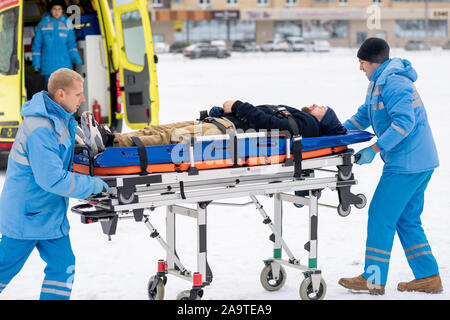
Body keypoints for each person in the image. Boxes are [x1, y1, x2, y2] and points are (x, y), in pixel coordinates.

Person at [338, 38, 442, 295]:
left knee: (380, 215)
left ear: (374, 62)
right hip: (418, 161)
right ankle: (429, 277)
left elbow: (404, 123)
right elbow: (364, 115)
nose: (360, 68)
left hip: (407, 162)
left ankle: (372, 278)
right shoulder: (378, 82)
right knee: (407, 219)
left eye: (362, 62)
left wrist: (374, 150)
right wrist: (336, 133)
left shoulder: (394, 82)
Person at [0, 68, 109, 300]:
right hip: (27, 215)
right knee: (4, 269)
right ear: (61, 94)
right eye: (78, 94)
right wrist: (91, 185)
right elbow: (52, 179)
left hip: (47, 214)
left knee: (63, 265)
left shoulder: (60, 119)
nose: (82, 99)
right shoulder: (41, 128)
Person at [78, 101, 346, 154]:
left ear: (323, 120)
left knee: (169, 137)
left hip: (225, 133)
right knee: (158, 129)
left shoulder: (307, 125)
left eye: (323, 108)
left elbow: (269, 124)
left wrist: (238, 105)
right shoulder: (300, 114)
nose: (316, 104)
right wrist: (224, 109)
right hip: (220, 123)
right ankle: (109, 136)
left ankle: (111, 143)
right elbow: (263, 114)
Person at [32, 0, 82, 83]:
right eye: (54, 9)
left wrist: (75, 57)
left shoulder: (67, 24)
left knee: (64, 90)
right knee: (51, 91)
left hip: (64, 64)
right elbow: (37, 45)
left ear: (62, 10)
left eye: (59, 9)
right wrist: (36, 62)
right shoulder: (43, 24)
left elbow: (71, 44)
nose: (57, 11)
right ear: (51, 10)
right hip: (48, 65)